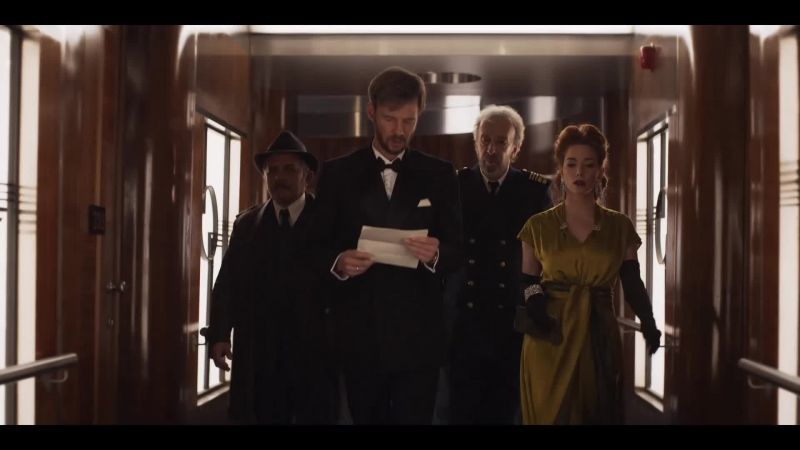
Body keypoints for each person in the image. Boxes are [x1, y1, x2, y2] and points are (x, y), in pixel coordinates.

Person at [312, 66, 463, 424]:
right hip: (361, 336)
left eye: (409, 121)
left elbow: (458, 250)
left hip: (419, 337)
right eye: (390, 119)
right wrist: (338, 262)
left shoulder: (439, 174)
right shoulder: (337, 174)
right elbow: (313, 247)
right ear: (371, 112)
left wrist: (436, 254)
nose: (399, 131)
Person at [516, 123, 662, 425]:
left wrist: (648, 320)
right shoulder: (537, 226)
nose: (579, 173)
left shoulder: (619, 226)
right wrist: (536, 305)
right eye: (571, 164)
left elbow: (631, 280)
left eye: (588, 165)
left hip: (598, 332)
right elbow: (528, 281)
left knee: (597, 411)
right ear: (561, 170)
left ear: (599, 170)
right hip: (551, 333)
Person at [206, 130, 338, 424]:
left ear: (307, 176)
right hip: (260, 351)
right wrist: (219, 334)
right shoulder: (247, 224)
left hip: (314, 350)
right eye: (273, 171)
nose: (280, 177)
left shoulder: (329, 221)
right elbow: (228, 283)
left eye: (289, 169)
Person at [445, 105, 551, 424]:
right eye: (485, 140)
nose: (491, 150)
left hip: (511, 324)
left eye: (501, 142)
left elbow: (545, 259)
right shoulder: (455, 186)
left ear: (515, 148)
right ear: (476, 142)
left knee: (504, 412)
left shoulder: (533, 191)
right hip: (465, 321)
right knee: (461, 412)